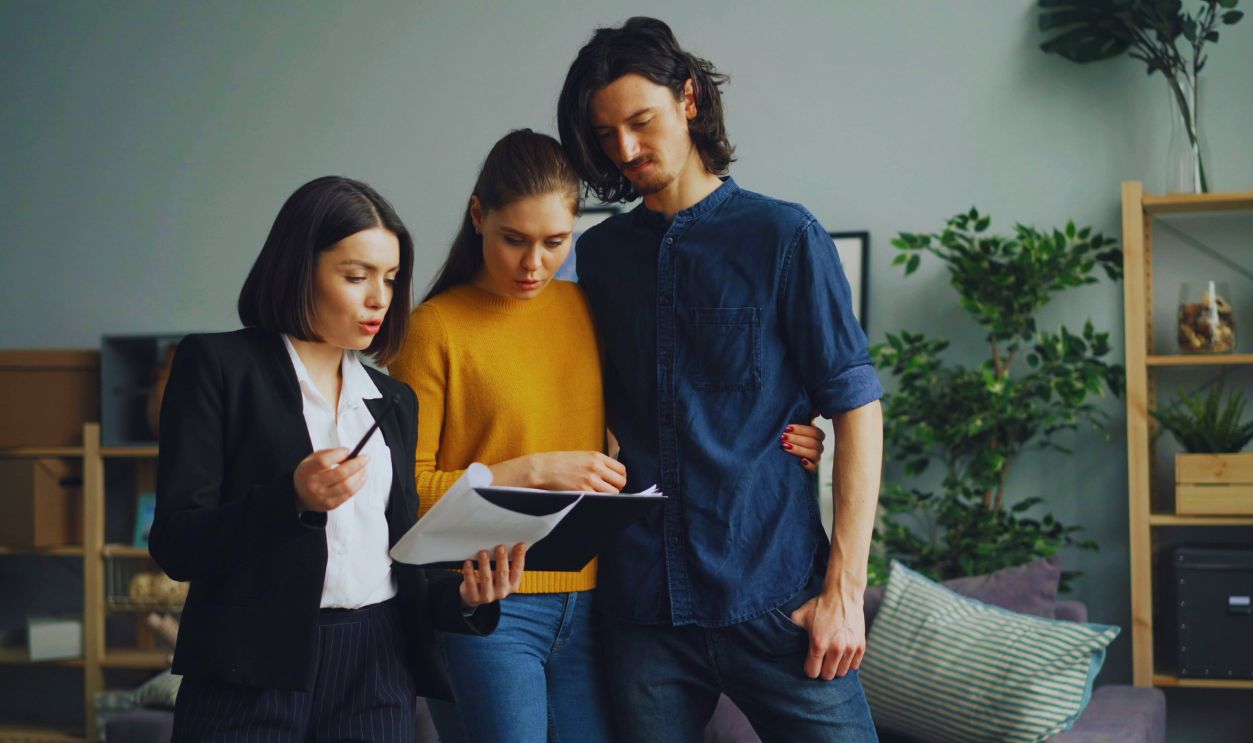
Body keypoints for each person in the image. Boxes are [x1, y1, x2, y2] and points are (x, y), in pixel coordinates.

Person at [387, 129, 828, 743]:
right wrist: (534, 470)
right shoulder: (433, 330)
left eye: (554, 242)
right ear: (478, 215)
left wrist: (788, 435)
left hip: (596, 604)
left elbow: (668, 406)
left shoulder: (584, 308)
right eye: (513, 240)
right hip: (488, 604)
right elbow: (401, 497)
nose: (532, 264)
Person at [557, 17, 884, 742]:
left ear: (689, 99)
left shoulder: (784, 237)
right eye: (606, 135)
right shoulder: (599, 256)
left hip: (773, 598)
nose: (626, 150)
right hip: (643, 610)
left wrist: (843, 592)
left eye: (640, 122)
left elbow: (857, 406)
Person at [149, 175, 525, 741]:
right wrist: (290, 501)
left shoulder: (393, 399)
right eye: (356, 277)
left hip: (377, 664)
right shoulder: (217, 366)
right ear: (300, 269)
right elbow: (176, 544)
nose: (379, 298)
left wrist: (466, 597)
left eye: (391, 279)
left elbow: (400, 562)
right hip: (251, 667)